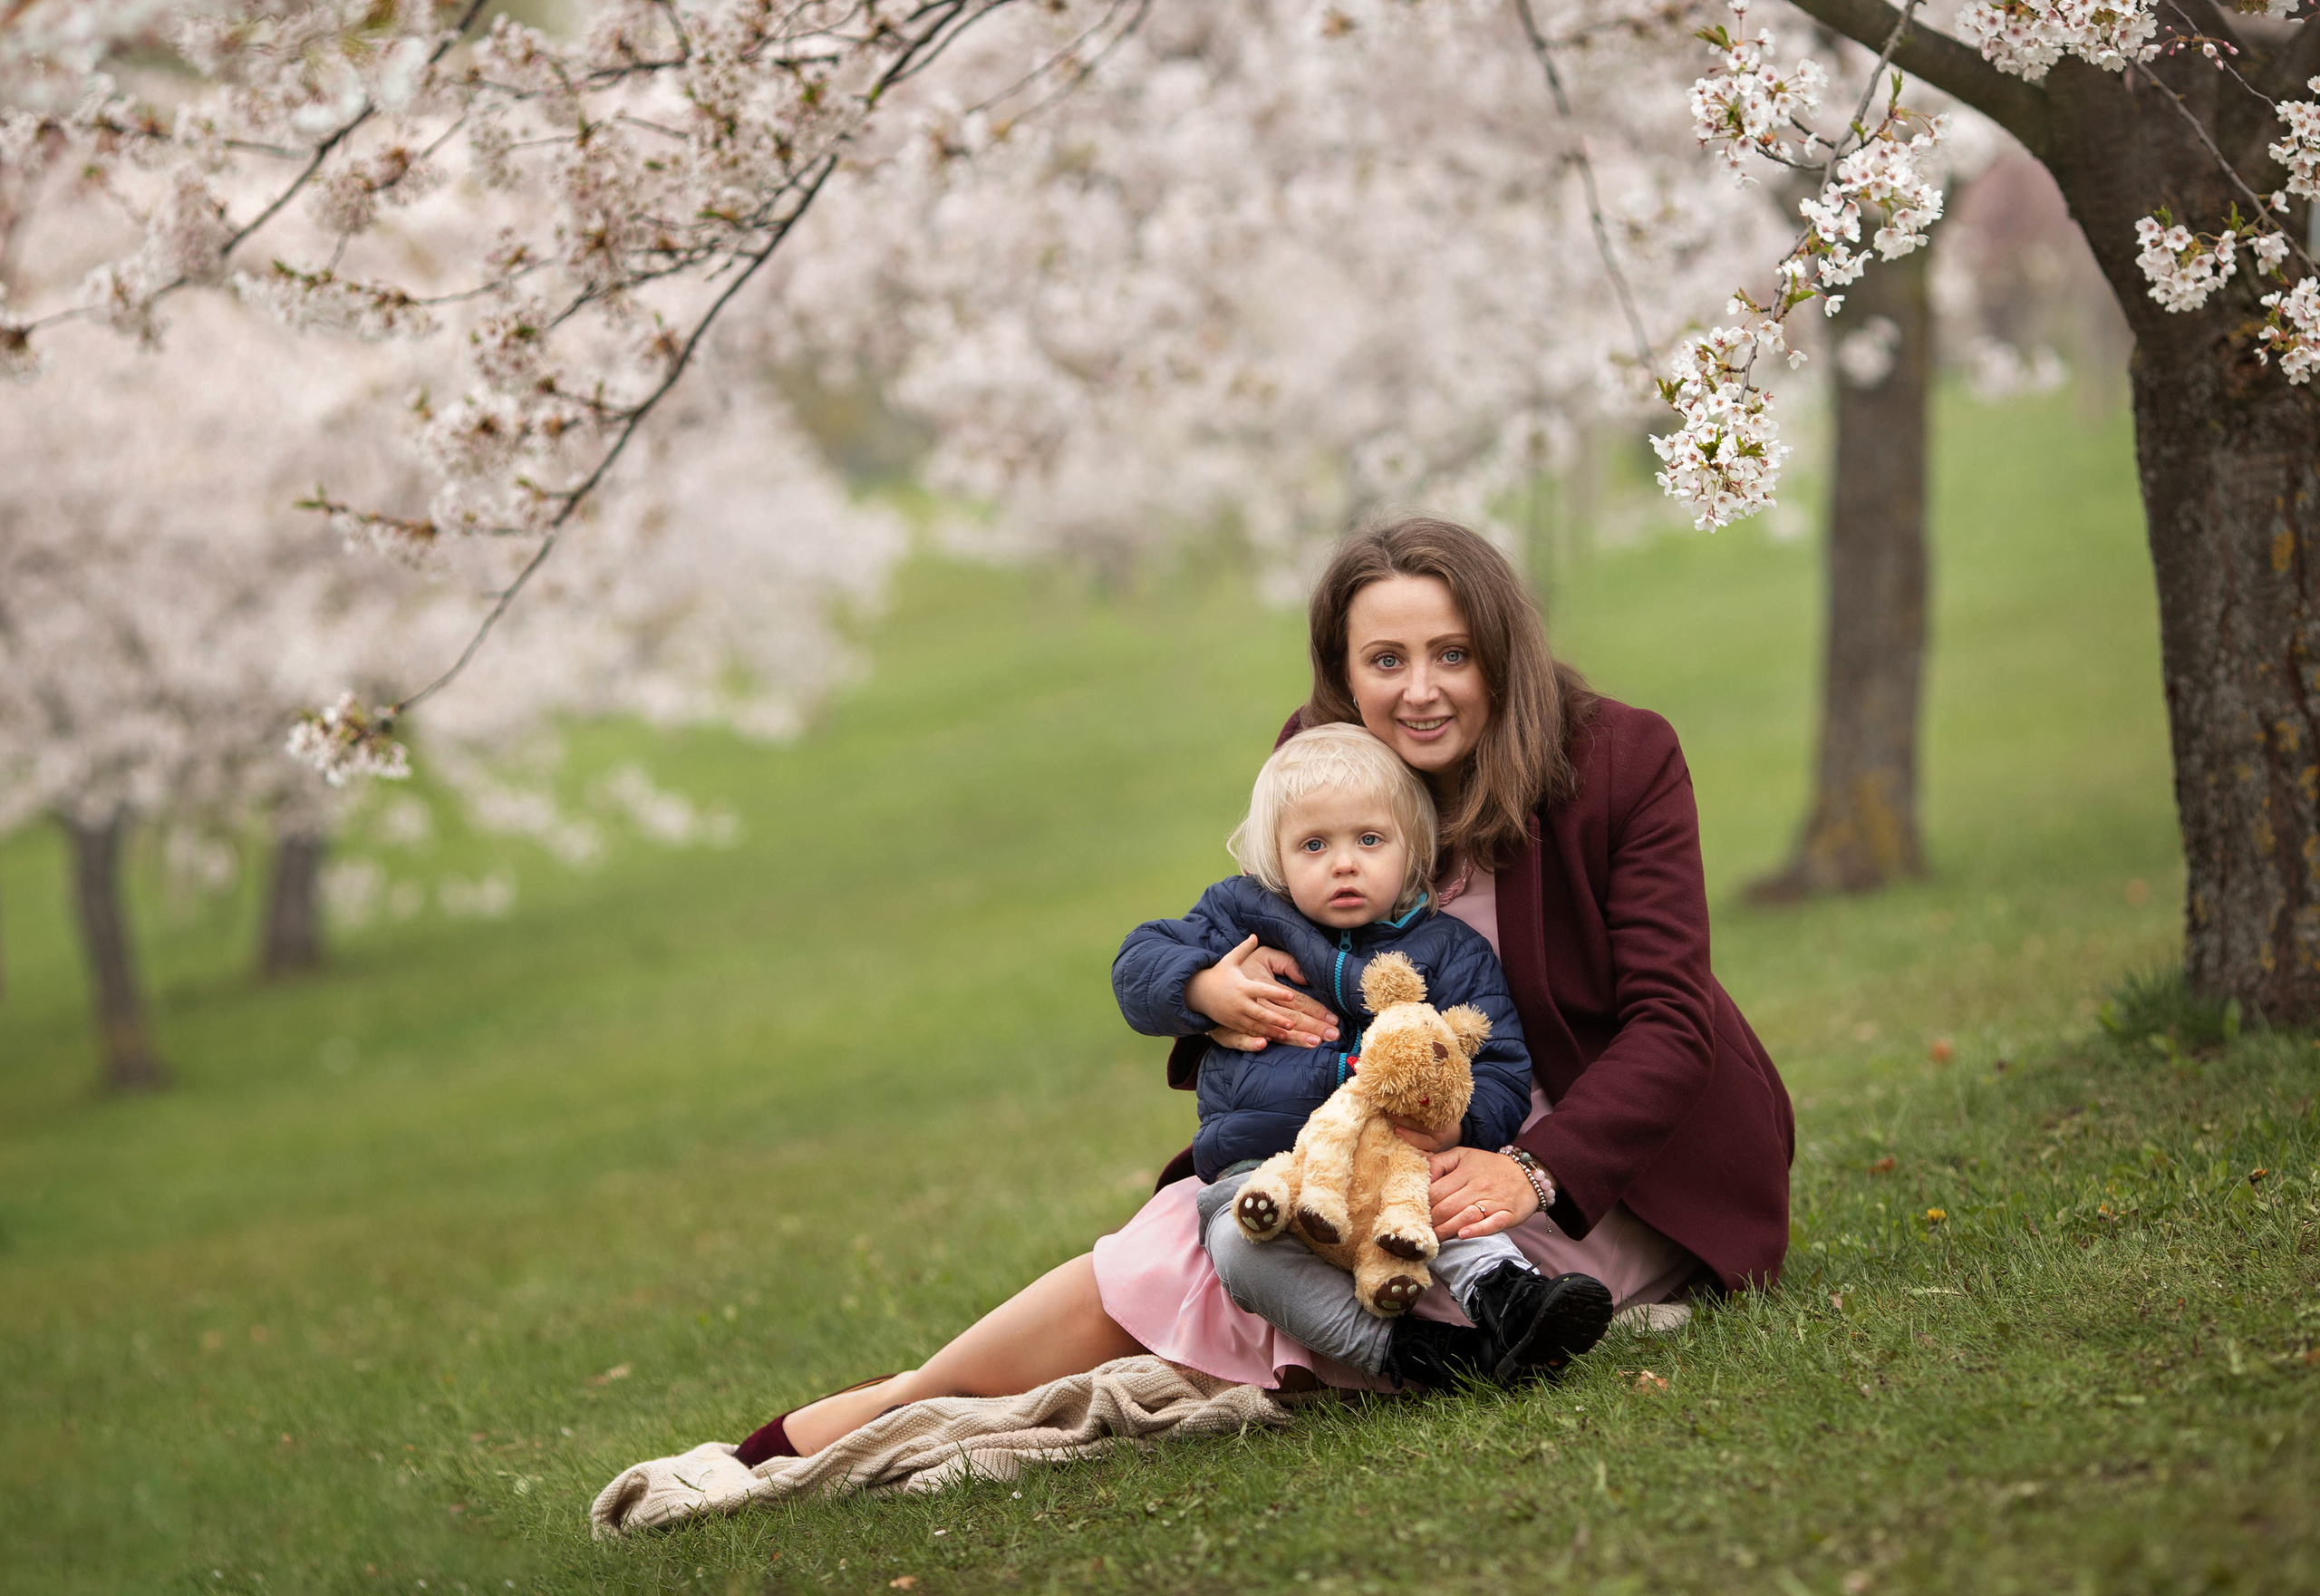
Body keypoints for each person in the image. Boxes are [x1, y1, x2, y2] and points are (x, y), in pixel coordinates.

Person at [733, 517, 1793, 1462]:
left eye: (1451, 655)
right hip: (1360, 1116)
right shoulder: (1320, 765)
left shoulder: (1619, 759)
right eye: (1386, 660)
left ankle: (1435, 1335)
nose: (1419, 690)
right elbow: (1244, 937)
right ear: (1343, 673)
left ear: (1501, 657)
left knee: (1320, 1254)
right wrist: (1211, 993)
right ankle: (899, 1401)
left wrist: (1532, 1171)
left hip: (1594, 1144)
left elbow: (1669, 1021)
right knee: (1198, 1232)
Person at [1112, 721, 1614, 1389]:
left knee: (1444, 1188)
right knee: (1238, 1243)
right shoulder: (1242, 916)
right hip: (1265, 1165)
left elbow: (1498, 1063)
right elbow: (1137, 964)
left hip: (1399, 1154)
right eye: (1313, 844)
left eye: (1368, 840)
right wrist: (1207, 987)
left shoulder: (1450, 949)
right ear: (1275, 854)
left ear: (1413, 850)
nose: (1343, 863)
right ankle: (1417, 1355)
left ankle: (1511, 1297)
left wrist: (1461, 1128)